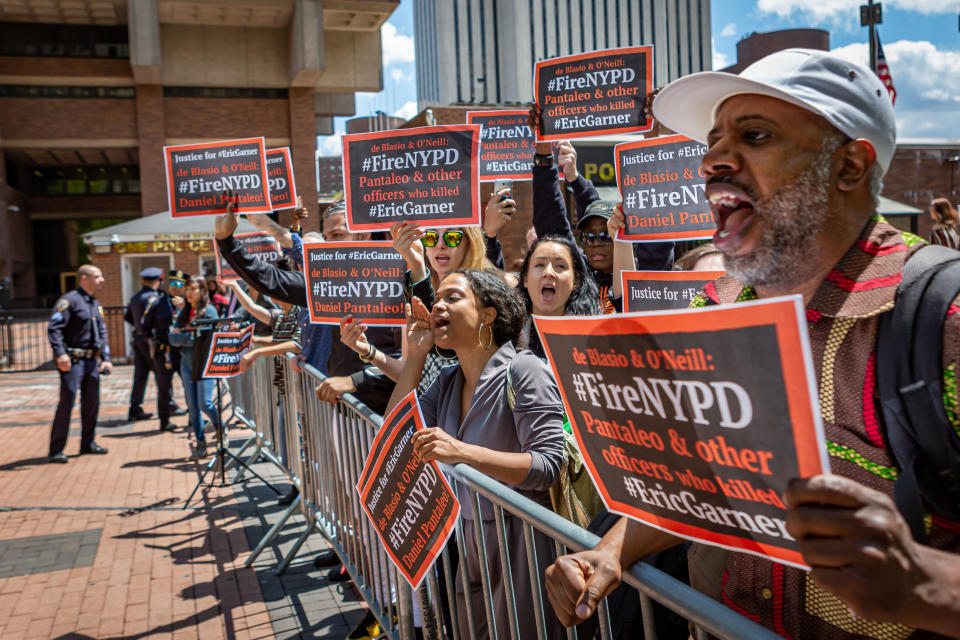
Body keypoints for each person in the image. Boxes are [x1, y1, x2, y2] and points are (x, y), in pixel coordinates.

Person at [544, 49, 960, 639]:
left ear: (849, 167)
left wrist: (924, 583)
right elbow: (694, 486)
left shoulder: (941, 322)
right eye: (712, 142)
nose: (712, 159)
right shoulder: (712, 308)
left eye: (755, 135)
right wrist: (611, 551)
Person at [385, 269, 565, 640]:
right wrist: (416, 355)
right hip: (469, 540)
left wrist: (462, 452)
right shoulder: (448, 381)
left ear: (488, 313)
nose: (437, 305)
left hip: (524, 542)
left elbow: (548, 465)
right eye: (436, 298)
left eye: (452, 297)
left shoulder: (525, 369)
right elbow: (396, 438)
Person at [47, 264, 112, 462]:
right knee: (67, 403)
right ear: (84, 278)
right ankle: (56, 449)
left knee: (91, 404)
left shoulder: (94, 303)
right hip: (73, 361)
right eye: (97, 276)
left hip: (92, 361)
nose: (101, 280)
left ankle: (88, 443)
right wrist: (60, 354)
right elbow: (54, 329)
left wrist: (106, 359)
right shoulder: (69, 301)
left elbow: (102, 333)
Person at [517, 235, 600, 357]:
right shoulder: (506, 338)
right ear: (525, 279)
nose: (549, 273)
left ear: (575, 282)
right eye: (539, 265)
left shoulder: (593, 341)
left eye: (560, 266)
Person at [169, 276, 219, 460]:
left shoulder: (209, 312)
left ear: (203, 291)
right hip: (187, 364)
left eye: (194, 288)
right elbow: (172, 339)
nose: (188, 292)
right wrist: (190, 336)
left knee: (204, 403)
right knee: (192, 407)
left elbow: (204, 340)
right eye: (187, 288)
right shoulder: (184, 313)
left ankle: (220, 426)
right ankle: (201, 444)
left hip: (204, 363)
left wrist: (184, 335)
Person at [124, 267, 174, 430]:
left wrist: (139, 329)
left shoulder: (135, 297)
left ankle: (135, 408)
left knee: (140, 375)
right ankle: (169, 405)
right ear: (157, 281)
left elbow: (128, 318)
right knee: (162, 375)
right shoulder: (155, 297)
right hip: (150, 341)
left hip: (138, 339)